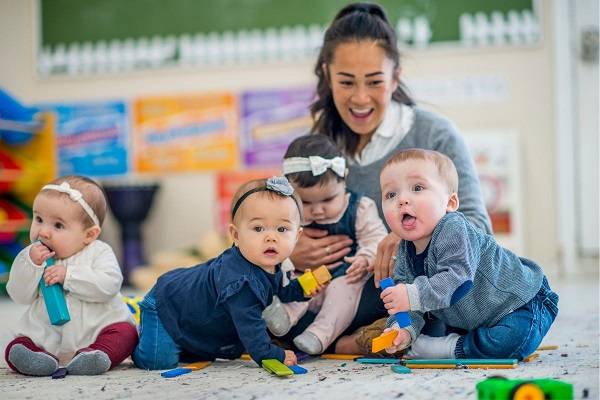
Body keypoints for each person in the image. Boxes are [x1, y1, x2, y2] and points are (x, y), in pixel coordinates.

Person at [288, 2, 492, 351]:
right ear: (327, 74)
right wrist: (292, 247)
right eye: (346, 82)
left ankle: (357, 338)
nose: (361, 98)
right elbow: (283, 214)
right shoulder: (321, 147)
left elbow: (478, 229)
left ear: (395, 76)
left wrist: (409, 236)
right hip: (338, 288)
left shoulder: (434, 135)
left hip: (412, 290)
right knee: (262, 297)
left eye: (375, 82)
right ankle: (350, 338)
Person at [378, 149, 558, 359]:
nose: (402, 200)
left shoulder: (454, 227)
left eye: (417, 188)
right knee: (426, 322)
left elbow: (458, 280)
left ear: (450, 203)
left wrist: (411, 294)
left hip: (520, 302)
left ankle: (448, 348)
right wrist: (402, 329)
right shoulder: (405, 250)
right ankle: (444, 341)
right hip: (472, 318)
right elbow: (411, 305)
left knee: (513, 341)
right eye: (391, 194)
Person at [132, 177, 316, 370]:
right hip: (166, 304)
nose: (271, 237)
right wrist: (273, 354)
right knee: (158, 361)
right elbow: (251, 331)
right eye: (258, 228)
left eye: (282, 229)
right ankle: (132, 336)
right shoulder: (240, 282)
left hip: (192, 314)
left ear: (297, 236)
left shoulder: (270, 263)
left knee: (190, 354)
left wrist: (303, 288)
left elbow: (281, 290)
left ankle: (182, 342)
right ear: (236, 235)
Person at [262, 135, 388, 355]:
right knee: (295, 285)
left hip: (345, 276)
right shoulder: (285, 212)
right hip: (306, 276)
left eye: (328, 200)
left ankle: (319, 335)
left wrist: (365, 258)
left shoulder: (359, 208)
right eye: (306, 202)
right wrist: (287, 255)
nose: (318, 210)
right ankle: (283, 319)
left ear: (344, 181)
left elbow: (376, 238)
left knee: (342, 293)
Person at [5, 176, 138, 376]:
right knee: (18, 344)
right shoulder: (31, 257)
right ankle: (33, 357)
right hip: (47, 334)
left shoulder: (99, 251)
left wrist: (69, 276)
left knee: (126, 334)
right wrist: (31, 265)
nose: (43, 232)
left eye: (58, 225)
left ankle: (95, 355)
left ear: (89, 235)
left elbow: (109, 285)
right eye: (39, 219)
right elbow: (18, 295)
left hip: (97, 328)